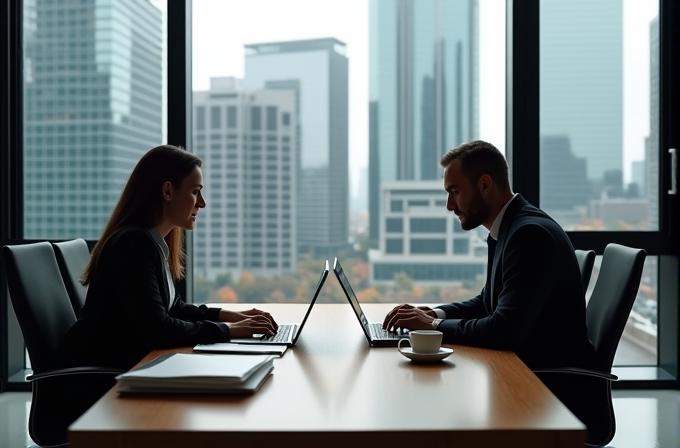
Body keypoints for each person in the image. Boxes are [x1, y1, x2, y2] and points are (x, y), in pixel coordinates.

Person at [59, 145, 278, 371]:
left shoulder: (149, 241)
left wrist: (230, 316)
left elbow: (173, 308)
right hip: (102, 375)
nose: (201, 203)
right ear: (167, 191)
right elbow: (159, 329)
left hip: (125, 363)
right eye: (195, 191)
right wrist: (229, 330)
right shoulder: (133, 244)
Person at [383, 140, 595, 370]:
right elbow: (486, 302)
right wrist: (434, 313)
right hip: (525, 368)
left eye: (455, 192)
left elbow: (503, 330)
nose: (450, 205)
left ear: (485, 185)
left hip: (547, 384)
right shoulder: (510, 228)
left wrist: (433, 325)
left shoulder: (529, 235)